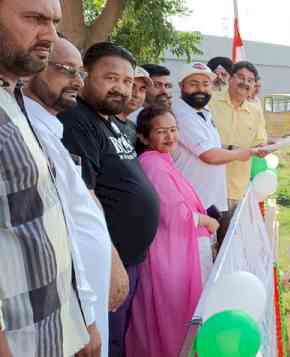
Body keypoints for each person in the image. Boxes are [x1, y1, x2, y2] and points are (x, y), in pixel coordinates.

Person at [0, 0, 90, 356]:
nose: (50, 35)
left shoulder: (13, 97)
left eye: (54, 21)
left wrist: (79, 322)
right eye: (36, 18)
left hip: (51, 337)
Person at [58, 42, 161, 357]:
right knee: (104, 342)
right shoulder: (77, 120)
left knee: (119, 338)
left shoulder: (115, 121)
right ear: (85, 76)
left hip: (130, 258)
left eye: (127, 81)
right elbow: (85, 198)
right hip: (105, 263)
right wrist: (112, 262)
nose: (121, 88)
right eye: (111, 78)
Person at [23, 36, 114, 357]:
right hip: (68, 315)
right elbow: (53, 233)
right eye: (65, 70)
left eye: (80, 73)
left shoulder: (49, 127)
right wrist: (84, 318)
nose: (77, 81)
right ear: (30, 71)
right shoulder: (27, 134)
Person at [125, 106, 219, 357]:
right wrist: (207, 222)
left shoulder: (161, 160)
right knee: (173, 320)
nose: (170, 136)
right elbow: (173, 213)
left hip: (176, 251)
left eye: (173, 130)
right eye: (161, 131)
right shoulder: (153, 164)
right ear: (144, 138)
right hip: (170, 257)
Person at [171, 62, 265, 247]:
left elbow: (258, 140)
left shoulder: (204, 111)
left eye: (206, 84)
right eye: (194, 84)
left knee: (218, 251)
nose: (201, 89)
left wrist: (265, 147)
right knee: (196, 253)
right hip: (191, 199)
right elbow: (210, 155)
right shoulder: (182, 114)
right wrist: (244, 152)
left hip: (218, 195)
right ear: (182, 85)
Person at [211, 61, 269, 218]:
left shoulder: (256, 111)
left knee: (229, 239)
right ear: (230, 78)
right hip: (209, 188)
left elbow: (260, 142)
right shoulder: (210, 102)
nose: (245, 83)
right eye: (241, 77)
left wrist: (265, 148)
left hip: (237, 190)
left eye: (250, 80)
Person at [115, 65, 151, 146]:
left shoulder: (133, 128)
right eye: (132, 86)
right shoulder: (103, 121)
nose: (136, 94)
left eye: (142, 89)